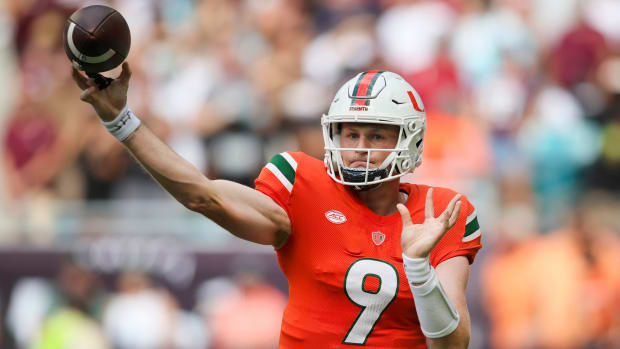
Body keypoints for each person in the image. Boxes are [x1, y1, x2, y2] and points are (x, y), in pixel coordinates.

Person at [72, 65, 482, 348]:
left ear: (407, 140)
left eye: (376, 137)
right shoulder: (302, 183)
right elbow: (202, 194)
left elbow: (452, 342)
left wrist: (418, 269)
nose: (358, 149)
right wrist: (121, 121)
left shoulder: (440, 210)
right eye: (350, 133)